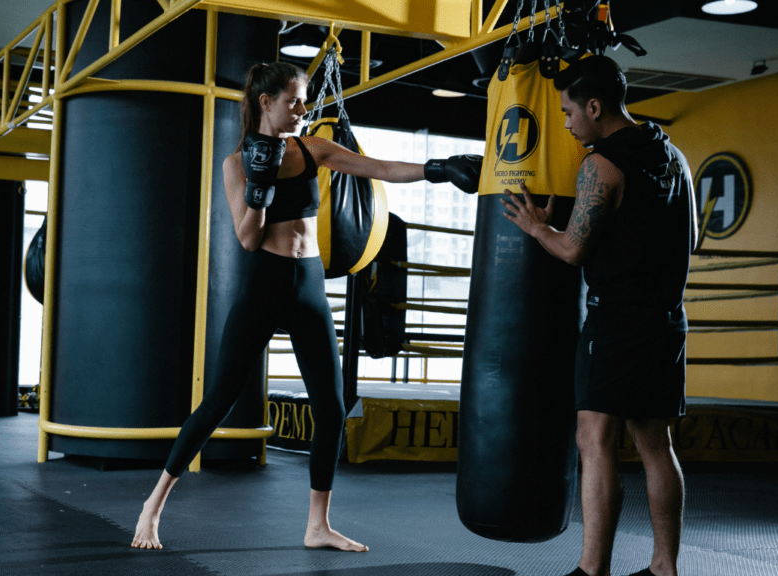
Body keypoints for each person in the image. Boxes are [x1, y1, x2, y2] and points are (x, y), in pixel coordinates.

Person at [131, 61, 481, 552]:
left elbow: (377, 168)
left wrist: (436, 169)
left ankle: (318, 525)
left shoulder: (312, 147)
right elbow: (248, 239)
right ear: (265, 103)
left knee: (332, 409)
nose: (303, 108)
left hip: (308, 285)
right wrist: (260, 187)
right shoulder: (235, 165)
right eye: (294, 100)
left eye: (305, 99)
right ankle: (153, 505)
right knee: (219, 402)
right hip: (265, 282)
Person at [499, 55, 697, 576]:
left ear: (594, 106)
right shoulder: (674, 156)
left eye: (568, 113)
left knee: (595, 440)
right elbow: (690, 238)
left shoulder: (600, 164)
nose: (565, 123)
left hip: (615, 324)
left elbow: (571, 252)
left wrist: (537, 227)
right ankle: (663, 568)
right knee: (657, 444)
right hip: (667, 321)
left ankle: (592, 570)